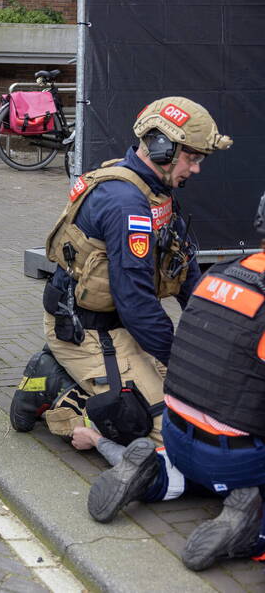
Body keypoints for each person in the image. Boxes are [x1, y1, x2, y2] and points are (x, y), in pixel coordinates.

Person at [10, 97, 232, 448]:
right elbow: (136, 302)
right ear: (162, 147)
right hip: (86, 333)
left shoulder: (157, 192)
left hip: (121, 328)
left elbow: (186, 270)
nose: (197, 169)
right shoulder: (125, 204)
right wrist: (180, 359)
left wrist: (219, 335)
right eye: (192, 158)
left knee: (198, 406)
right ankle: (56, 389)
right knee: (164, 431)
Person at [80, 190, 265, 572]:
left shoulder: (223, 271)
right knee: (237, 463)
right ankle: (252, 533)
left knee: (209, 463)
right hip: (235, 454)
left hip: (176, 435)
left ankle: (156, 476)